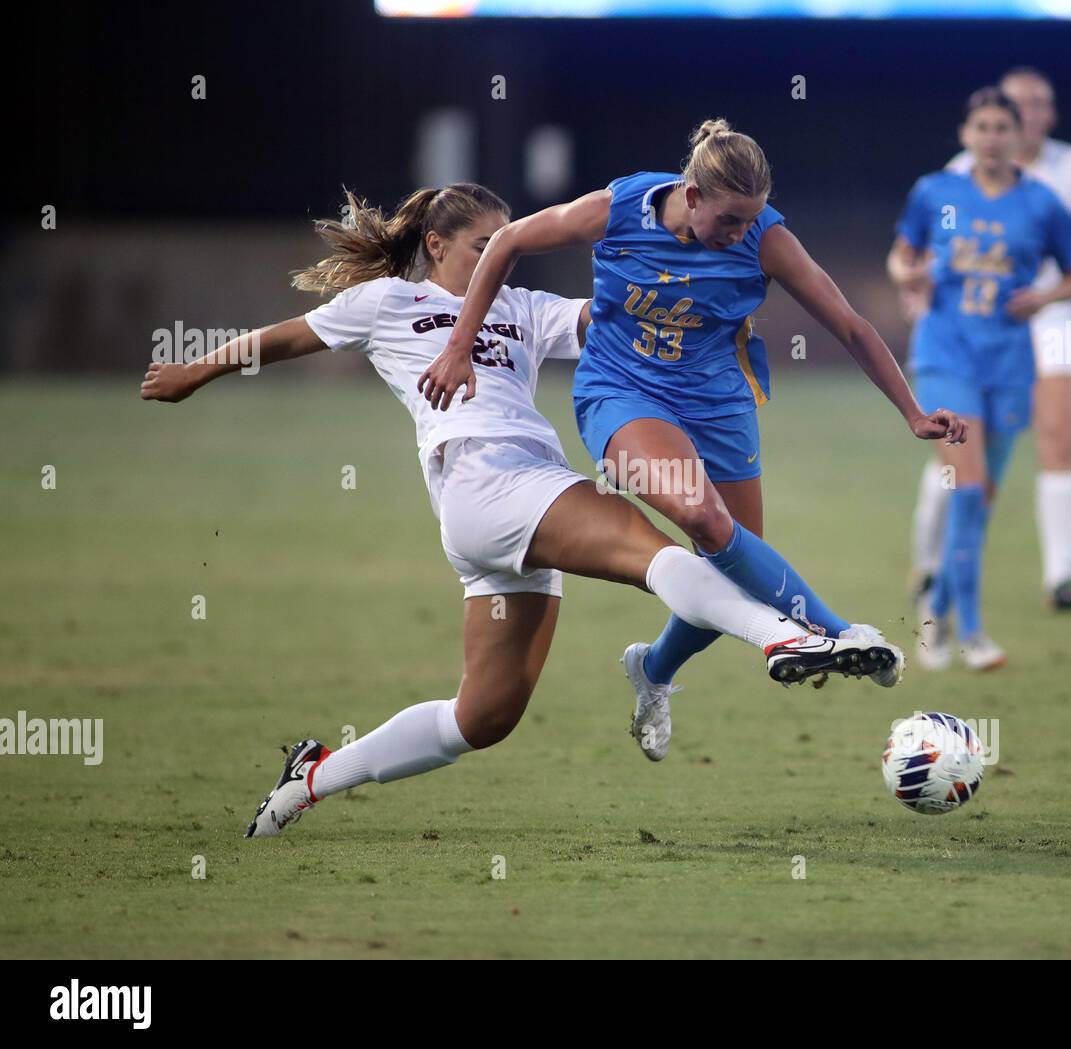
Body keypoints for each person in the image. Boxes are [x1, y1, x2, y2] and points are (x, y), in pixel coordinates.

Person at [141, 183, 901, 838]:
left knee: (484, 717)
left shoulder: (523, 307)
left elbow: (616, 321)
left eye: (506, 242)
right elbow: (285, 338)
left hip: (513, 504)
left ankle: (311, 778)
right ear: (435, 245)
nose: (499, 253)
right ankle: (784, 641)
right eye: (484, 243)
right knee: (657, 553)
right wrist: (195, 372)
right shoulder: (387, 302)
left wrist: (704, 302)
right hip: (483, 481)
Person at [415, 119, 963, 760]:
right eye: (730, 221)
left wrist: (912, 412)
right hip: (624, 394)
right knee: (703, 517)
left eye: (750, 221)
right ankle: (838, 632)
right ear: (692, 194)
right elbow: (506, 241)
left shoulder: (765, 237)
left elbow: (850, 325)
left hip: (719, 404)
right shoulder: (616, 209)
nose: (739, 235)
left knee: (732, 567)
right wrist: (459, 347)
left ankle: (653, 669)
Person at [887, 88, 1071, 671]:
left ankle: (937, 605)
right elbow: (900, 256)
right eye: (981, 126)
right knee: (969, 488)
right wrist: (911, 275)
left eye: (1002, 126)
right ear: (965, 134)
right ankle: (974, 634)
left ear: (1017, 135)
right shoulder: (937, 192)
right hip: (946, 357)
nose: (992, 136)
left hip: (1008, 365)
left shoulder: (1041, 203)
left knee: (982, 500)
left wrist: (1048, 297)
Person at [909, 67, 1071, 611]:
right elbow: (928, 249)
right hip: (971, 325)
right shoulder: (957, 173)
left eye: (1038, 102)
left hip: (1049, 317)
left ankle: (1061, 577)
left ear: (1049, 114)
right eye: (1018, 103)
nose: (1027, 112)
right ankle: (931, 564)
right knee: (960, 462)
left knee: (1058, 440)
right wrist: (916, 296)